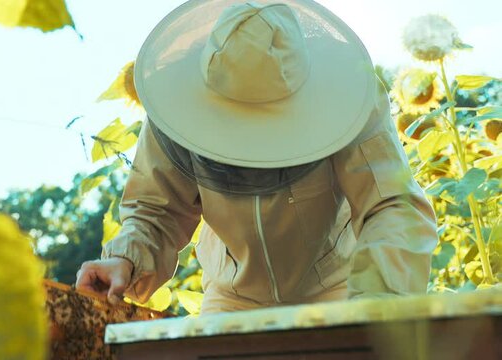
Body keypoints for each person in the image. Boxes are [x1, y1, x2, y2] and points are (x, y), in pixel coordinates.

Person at [76, 0, 438, 314]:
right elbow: (155, 211)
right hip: (231, 299)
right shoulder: (174, 111)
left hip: (340, 290)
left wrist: (378, 298)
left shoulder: (350, 100)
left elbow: (391, 205)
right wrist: (123, 259)